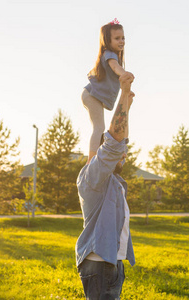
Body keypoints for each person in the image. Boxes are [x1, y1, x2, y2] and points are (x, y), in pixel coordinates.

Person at [76, 72, 136, 299]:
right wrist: (122, 93)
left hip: (111, 262)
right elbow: (114, 143)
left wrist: (126, 106)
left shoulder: (113, 181)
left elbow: (119, 140)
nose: (124, 155)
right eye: (121, 152)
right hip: (99, 265)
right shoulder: (93, 176)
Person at [82, 18, 135, 164]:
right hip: (91, 95)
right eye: (117, 38)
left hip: (93, 96)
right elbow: (114, 67)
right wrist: (123, 73)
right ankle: (91, 160)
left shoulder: (115, 55)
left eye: (123, 38)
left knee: (100, 127)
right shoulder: (109, 54)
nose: (121, 41)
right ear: (107, 40)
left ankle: (98, 154)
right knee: (99, 127)